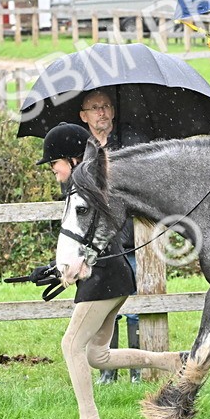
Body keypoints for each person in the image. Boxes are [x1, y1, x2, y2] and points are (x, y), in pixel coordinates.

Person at [39, 124, 184, 419]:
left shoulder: (87, 190)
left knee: (71, 345)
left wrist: (62, 268)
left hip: (102, 279)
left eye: (54, 164)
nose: (53, 171)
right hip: (114, 276)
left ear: (73, 160)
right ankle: (174, 362)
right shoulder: (88, 188)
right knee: (98, 355)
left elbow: (92, 246)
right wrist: (53, 268)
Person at [77, 88, 140, 383]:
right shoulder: (81, 150)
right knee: (104, 307)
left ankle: (137, 370)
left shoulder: (131, 143)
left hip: (131, 238)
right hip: (96, 245)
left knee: (135, 307)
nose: (101, 112)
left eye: (105, 106)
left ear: (113, 111)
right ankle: (108, 370)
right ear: (84, 116)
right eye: (94, 108)